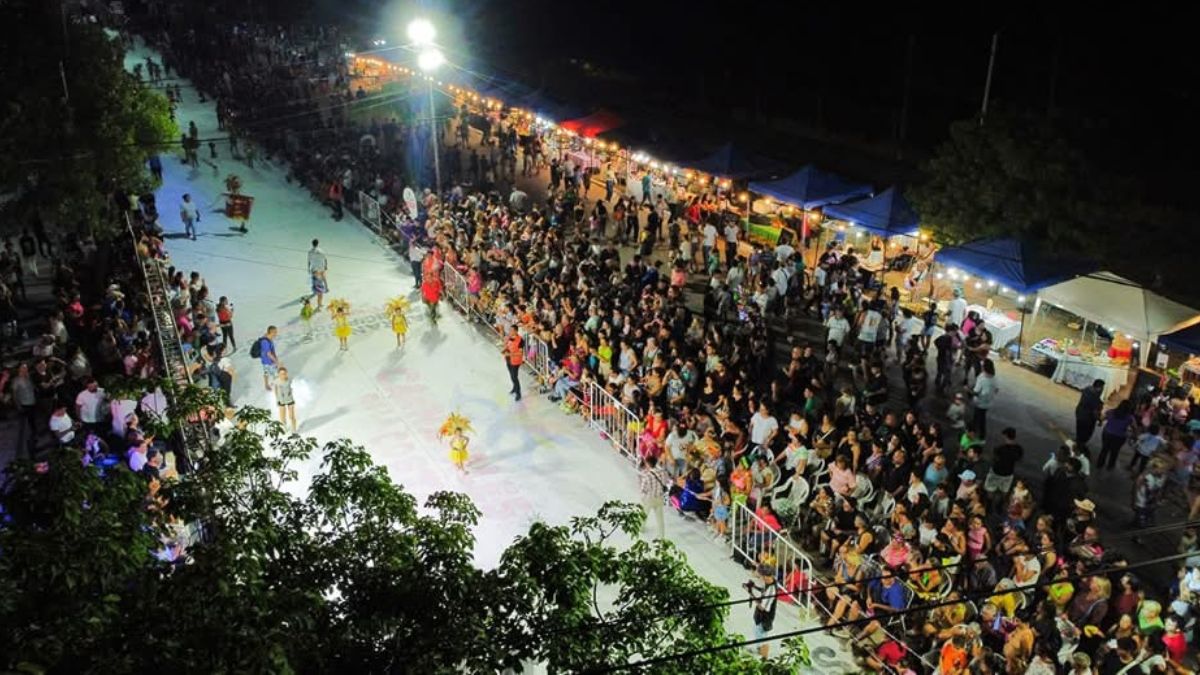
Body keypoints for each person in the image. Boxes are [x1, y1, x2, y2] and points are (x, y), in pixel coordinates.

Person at [638, 454, 670, 540]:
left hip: (649, 498)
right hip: (659, 497)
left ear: (648, 464)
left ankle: (641, 528)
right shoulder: (663, 472)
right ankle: (661, 536)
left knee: (644, 514)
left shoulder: (647, 476)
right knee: (660, 518)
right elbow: (666, 482)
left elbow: (643, 489)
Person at [967, 358, 997, 438]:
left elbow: (976, 392)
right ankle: (980, 434)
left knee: (977, 418)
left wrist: (967, 389)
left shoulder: (982, 378)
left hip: (979, 402)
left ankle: (973, 433)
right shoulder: (993, 377)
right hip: (988, 403)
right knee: (981, 417)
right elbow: (996, 390)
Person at [1074, 379, 1105, 448]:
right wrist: (1099, 420)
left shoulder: (1087, 389)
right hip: (1088, 418)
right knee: (1085, 435)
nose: (1102, 390)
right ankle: (1079, 448)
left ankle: (1077, 444)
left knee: (1079, 432)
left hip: (1079, 413)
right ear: (1099, 387)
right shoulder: (1095, 396)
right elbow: (1095, 411)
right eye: (1102, 388)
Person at [255, 326, 280, 391]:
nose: (276, 334)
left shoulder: (268, 338)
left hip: (265, 361)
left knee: (266, 373)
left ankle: (267, 385)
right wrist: (277, 362)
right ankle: (277, 388)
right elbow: (269, 354)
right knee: (275, 374)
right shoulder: (265, 342)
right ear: (271, 332)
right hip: (268, 362)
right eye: (275, 332)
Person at [274, 367, 297, 432]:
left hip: (289, 399)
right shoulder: (276, 381)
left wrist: (290, 392)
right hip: (281, 400)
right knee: (282, 416)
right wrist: (277, 399)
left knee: (292, 416)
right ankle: (284, 427)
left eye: (284, 373)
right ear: (278, 374)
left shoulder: (289, 379)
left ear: (286, 373)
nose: (283, 375)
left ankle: (294, 429)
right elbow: (275, 391)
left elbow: (291, 387)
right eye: (281, 374)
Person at [307, 239, 328, 310]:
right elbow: (325, 259)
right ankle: (319, 306)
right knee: (320, 290)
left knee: (314, 283)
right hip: (320, 271)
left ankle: (314, 293)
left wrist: (308, 269)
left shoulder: (310, 252)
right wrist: (325, 267)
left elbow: (309, 261)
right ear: (318, 243)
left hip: (313, 270)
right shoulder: (321, 251)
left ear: (312, 244)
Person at [504, 325, 523, 401]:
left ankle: (518, 393)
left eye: (512, 330)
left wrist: (510, 354)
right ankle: (515, 388)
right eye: (510, 330)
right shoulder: (509, 338)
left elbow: (520, 353)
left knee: (514, 377)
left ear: (516, 331)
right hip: (508, 359)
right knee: (511, 375)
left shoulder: (520, 340)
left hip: (515, 361)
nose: (510, 332)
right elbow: (507, 347)